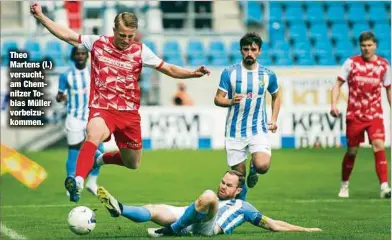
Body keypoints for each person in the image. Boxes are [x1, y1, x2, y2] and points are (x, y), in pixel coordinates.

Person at [30, 2, 210, 203]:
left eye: (130, 36)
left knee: (132, 163)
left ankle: (98, 160)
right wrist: (41, 17)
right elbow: (67, 35)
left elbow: (167, 68)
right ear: (114, 30)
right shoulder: (97, 43)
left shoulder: (141, 50)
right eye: (122, 35)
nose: (126, 40)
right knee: (94, 133)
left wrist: (192, 74)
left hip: (128, 114)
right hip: (102, 108)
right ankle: (78, 181)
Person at [97, 170, 322, 237]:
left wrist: (304, 229)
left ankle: (172, 231)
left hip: (210, 226)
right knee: (155, 208)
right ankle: (121, 208)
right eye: (222, 182)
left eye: (228, 185)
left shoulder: (244, 207)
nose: (223, 186)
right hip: (194, 212)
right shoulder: (215, 195)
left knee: (208, 196)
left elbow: (272, 224)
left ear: (238, 191)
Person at [213, 32, 281, 200]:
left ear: (259, 51)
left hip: (258, 129)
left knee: (263, 166)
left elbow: (276, 95)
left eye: (253, 49)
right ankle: (239, 208)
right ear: (240, 50)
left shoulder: (267, 75)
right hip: (234, 131)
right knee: (239, 177)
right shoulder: (229, 73)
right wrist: (230, 101)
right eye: (246, 49)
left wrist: (273, 119)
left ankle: (254, 169)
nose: (249, 53)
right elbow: (217, 99)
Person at [330, 31, 391, 199]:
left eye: (369, 45)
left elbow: (389, 89)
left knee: (379, 145)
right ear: (360, 46)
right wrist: (333, 104)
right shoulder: (351, 63)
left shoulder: (384, 65)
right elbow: (337, 85)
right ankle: (344, 185)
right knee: (352, 151)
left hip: (374, 115)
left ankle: (384, 186)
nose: (366, 48)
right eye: (363, 45)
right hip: (354, 115)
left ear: (375, 45)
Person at [56, 46, 103, 195]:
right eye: (78, 53)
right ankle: (71, 184)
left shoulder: (94, 72)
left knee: (99, 153)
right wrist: (61, 98)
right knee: (74, 152)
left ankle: (92, 182)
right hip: (75, 118)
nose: (81, 56)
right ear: (73, 56)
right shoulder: (66, 75)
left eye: (83, 53)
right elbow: (59, 95)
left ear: (87, 56)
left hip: (93, 118)